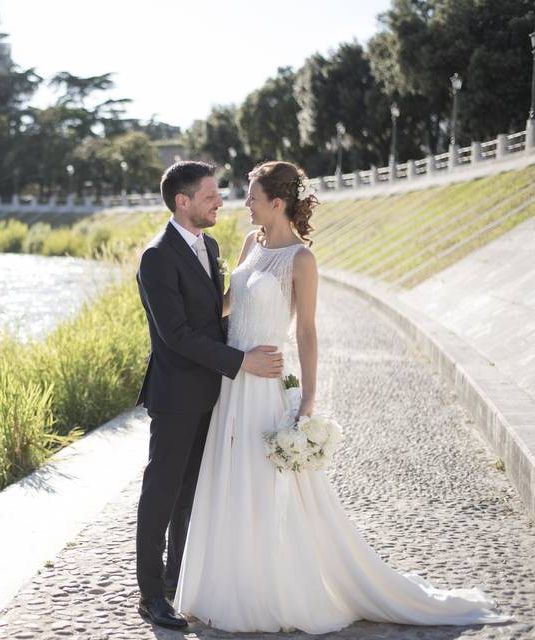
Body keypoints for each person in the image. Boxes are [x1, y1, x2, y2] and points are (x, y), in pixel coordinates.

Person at [173, 160, 509, 634]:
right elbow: (228, 304)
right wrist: (183, 311)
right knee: (230, 479)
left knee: (270, 484)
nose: (243, 202)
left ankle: (274, 590)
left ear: (277, 201)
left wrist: (307, 398)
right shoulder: (251, 244)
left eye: (251, 195)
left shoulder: (301, 260)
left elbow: (307, 331)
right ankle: (227, 585)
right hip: (233, 383)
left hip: (267, 381)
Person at [134, 160, 284, 630]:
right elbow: (176, 334)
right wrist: (242, 363)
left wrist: (250, 341)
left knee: (190, 495)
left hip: (211, 394)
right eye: (209, 195)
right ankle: (151, 595)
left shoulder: (211, 244)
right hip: (176, 395)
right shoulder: (156, 257)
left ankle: (179, 581)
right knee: (161, 493)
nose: (220, 201)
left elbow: (210, 321)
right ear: (183, 202)